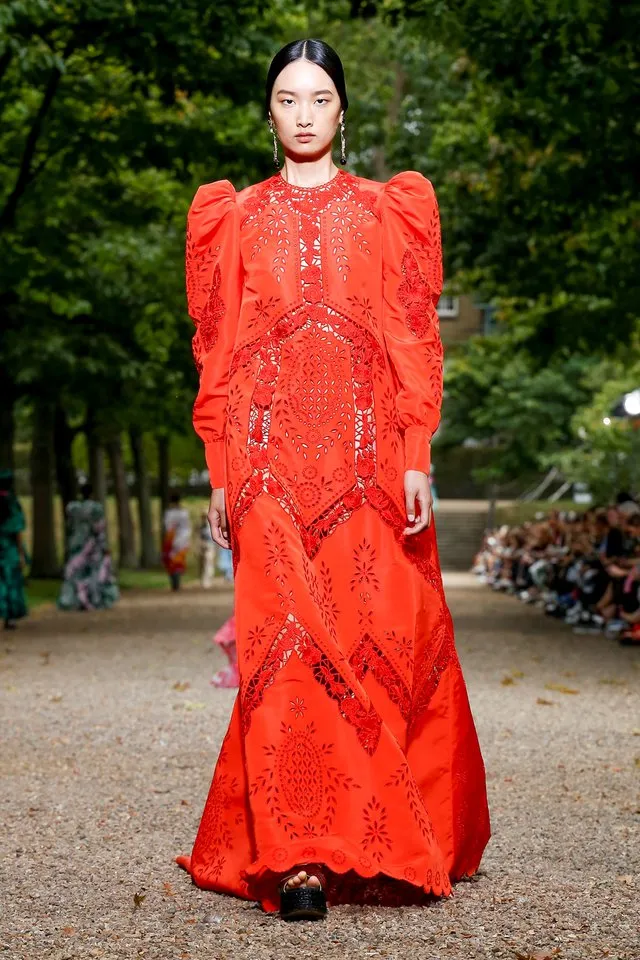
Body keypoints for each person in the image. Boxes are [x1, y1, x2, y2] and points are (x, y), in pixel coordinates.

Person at [177, 39, 491, 920]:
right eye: (288, 98)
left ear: (342, 112)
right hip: (269, 467)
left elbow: (410, 341)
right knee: (283, 658)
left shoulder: (391, 211)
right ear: (268, 112)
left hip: (364, 467)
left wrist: (416, 453)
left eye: (320, 99)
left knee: (367, 647)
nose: (305, 113)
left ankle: (377, 834)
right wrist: (221, 472)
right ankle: (301, 857)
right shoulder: (231, 219)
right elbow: (223, 355)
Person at [58, 484, 119, 611]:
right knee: (94, 573)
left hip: (77, 545)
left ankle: (76, 599)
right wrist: (104, 546)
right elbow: (99, 529)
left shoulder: (74, 509)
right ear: (92, 494)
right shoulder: (96, 509)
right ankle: (94, 599)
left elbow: (70, 527)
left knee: (76, 573)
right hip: (92, 546)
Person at [0, 469, 28, 629]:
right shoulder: (12, 504)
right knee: (11, 582)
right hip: (9, 550)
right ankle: (9, 617)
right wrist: (21, 553)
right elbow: (17, 530)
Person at [162, 493, 192, 591]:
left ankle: (174, 582)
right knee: (179, 560)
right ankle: (177, 580)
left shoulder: (169, 513)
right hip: (182, 539)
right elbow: (187, 527)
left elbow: (168, 527)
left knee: (170, 560)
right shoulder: (184, 512)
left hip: (172, 538)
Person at [198, 511, 216, 588]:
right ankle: (203, 579)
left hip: (210, 546)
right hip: (202, 546)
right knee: (202, 564)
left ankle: (208, 579)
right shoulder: (200, 526)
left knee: (208, 562)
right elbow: (198, 537)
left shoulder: (211, 525)